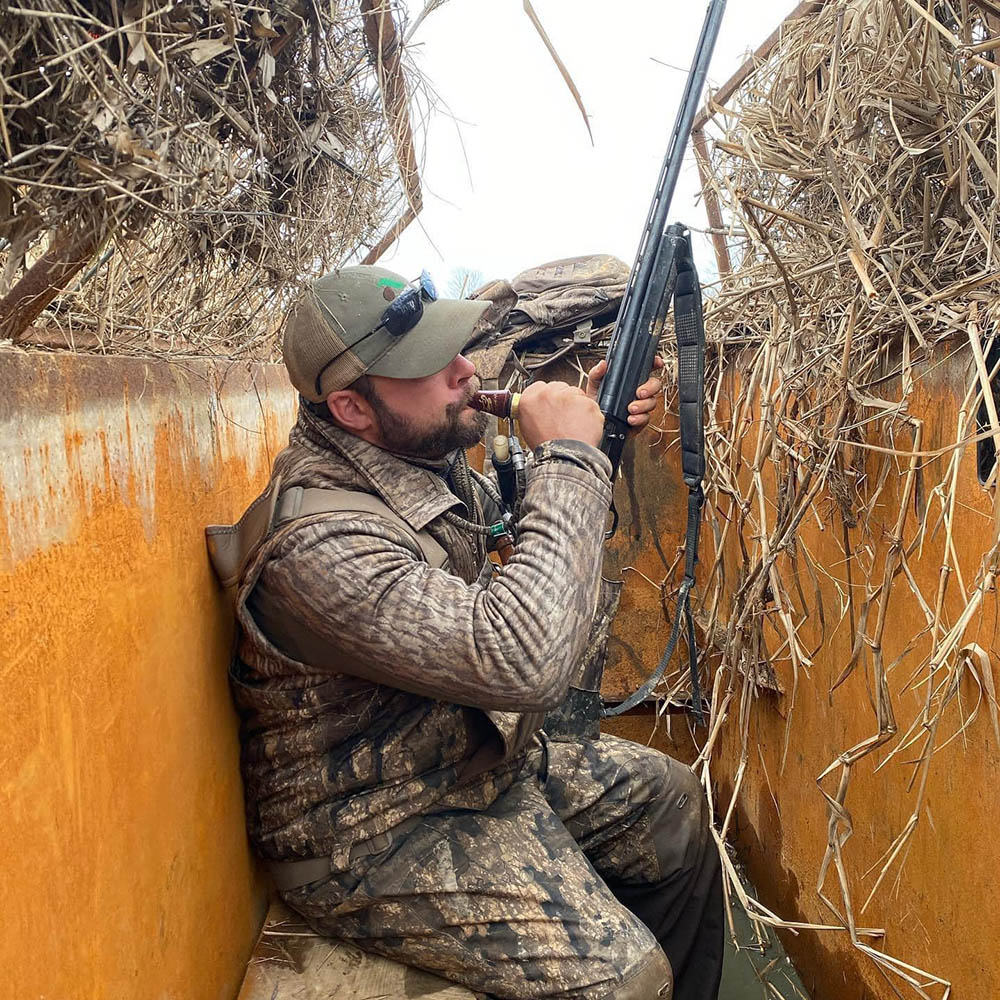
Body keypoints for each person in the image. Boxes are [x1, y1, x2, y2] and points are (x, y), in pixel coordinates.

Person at [219, 265, 724, 1000]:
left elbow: (525, 533)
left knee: (674, 802)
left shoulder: (414, 459)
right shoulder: (319, 549)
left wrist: (596, 425)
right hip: (374, 829)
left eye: (455, 349)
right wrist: (572, 460)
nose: (463, 372)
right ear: (351, 408)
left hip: (464, 753)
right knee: (622, 977)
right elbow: (524, 661)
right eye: (429, 364)